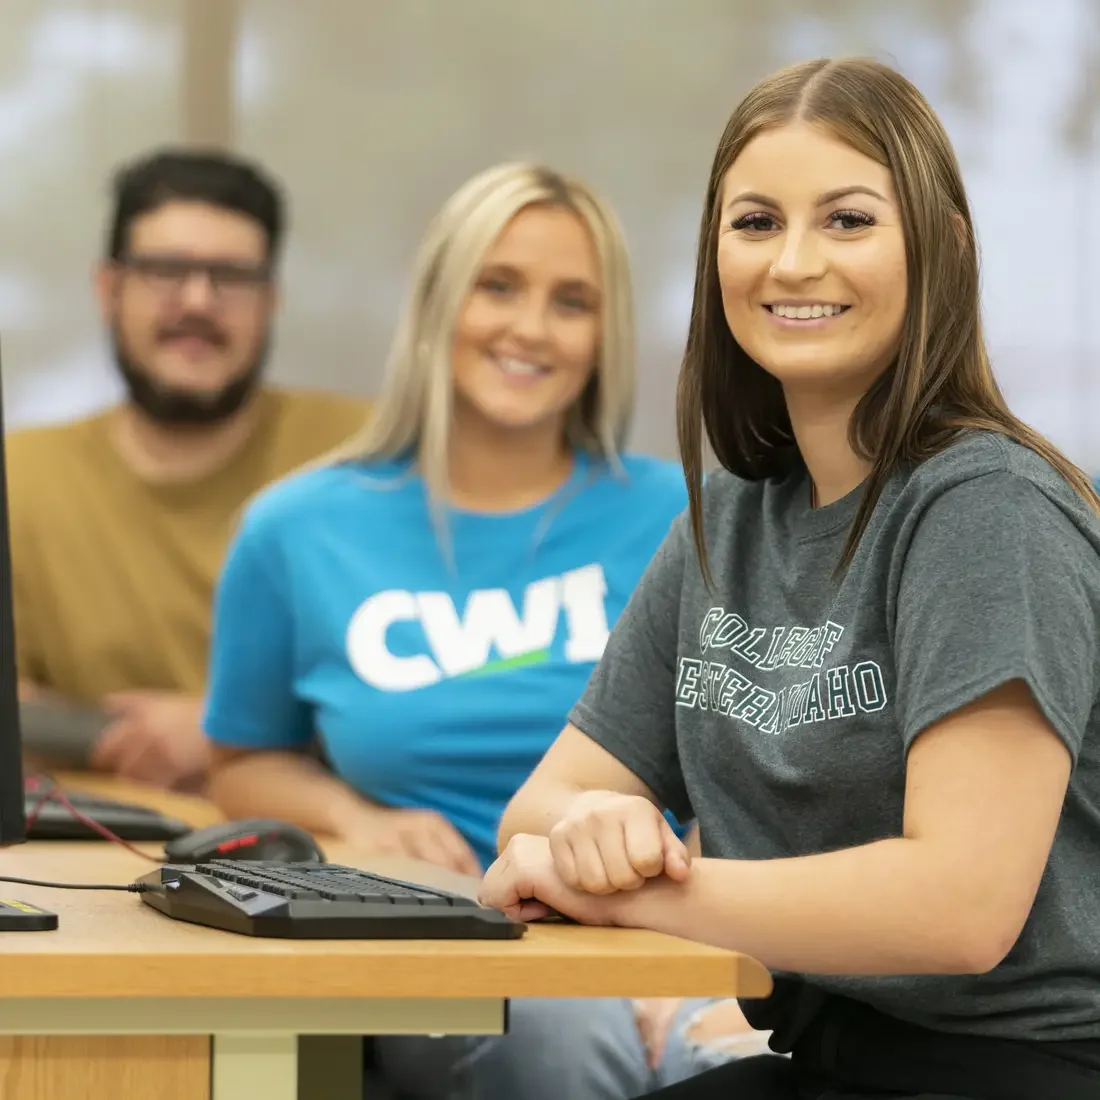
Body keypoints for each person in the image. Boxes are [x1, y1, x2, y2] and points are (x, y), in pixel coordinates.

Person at [482, 57, 1100, 1100]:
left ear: (941, 249)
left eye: (848, 220)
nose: (792, 262)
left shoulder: (984, 508)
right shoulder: (727, 517)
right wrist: (601, 834)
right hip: (823, 1057)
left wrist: (638, 895)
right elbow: (536, 812)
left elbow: (958, 905)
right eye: (755, 221)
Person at [202, 162, 756, 1099]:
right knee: (572, 1041)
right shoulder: (293, 529)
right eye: (498, 286)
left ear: (603, 334)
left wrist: (687, 961)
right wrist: (360, 820)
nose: (529, 328)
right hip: (443, 940)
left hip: (673, 924)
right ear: (437, 302)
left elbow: (759, 760)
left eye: (571, 301)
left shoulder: (695, 514)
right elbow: (242, 760)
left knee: (747, 1054)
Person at [11, 148, 370, 790]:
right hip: (85, 860)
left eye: (231, 276)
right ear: (108, 288)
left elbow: (440, 688)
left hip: (328, 856)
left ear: (272, 300)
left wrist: (223, 732)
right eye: (165, 270)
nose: (198, 301)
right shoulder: (20, 476)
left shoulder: (365, 454)